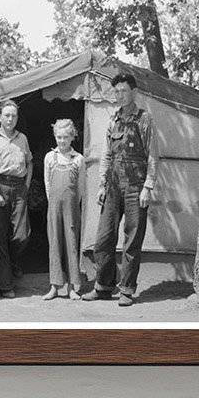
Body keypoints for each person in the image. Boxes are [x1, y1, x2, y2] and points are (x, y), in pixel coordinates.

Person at [83, 72, 159, 307]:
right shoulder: (113, 119)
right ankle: (103, 287)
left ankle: (126, 290)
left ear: (134, 92)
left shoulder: (145, 119)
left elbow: (153, 156)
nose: (119, 95)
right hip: (113, 188)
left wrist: (148, 186)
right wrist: (102, 185)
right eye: (116, 91)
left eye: (123, 91)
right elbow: (107, 155)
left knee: (132, 241)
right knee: (103, 239)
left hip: (136, 189)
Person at [0, 98, 32, 299]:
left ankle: (13, 262)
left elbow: (30, 163)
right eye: (7, 115)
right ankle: (5, 285)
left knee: (22, 235)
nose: (11, 119)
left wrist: (27, 185)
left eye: (14, 115)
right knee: (0, 237)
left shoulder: (23, 139)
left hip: (19, 187)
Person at [43, 119, 86, 301]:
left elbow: (82, 188)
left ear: (72, 137)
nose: (62, 141)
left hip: (71, 209)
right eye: (59, 137)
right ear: (55, 136)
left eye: (66, 137)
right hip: (54, 208)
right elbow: (47, 184)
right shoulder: (49, 158)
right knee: (55, 243)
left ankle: (72, 287)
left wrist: (74, 206)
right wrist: (53, 203)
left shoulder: (78, 159)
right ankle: (54, 286)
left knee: (71, 244)